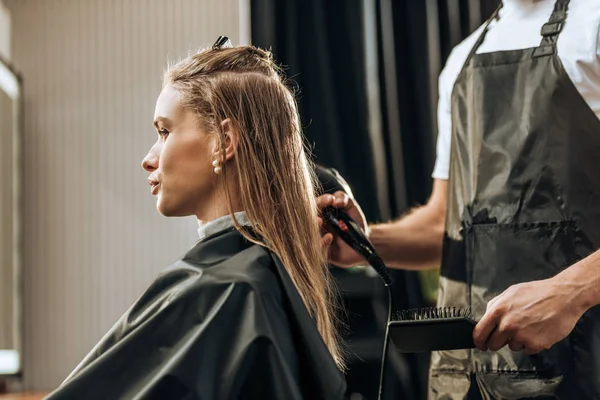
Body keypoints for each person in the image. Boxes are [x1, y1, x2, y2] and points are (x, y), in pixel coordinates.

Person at [320, 0, 600, 398]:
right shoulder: (461, 60)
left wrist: (572, 292)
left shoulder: (593, 25)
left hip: (583, 363)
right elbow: (444, 226)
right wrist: (366, 243)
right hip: (466, 376)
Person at [45, 37, 346, 400]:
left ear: (224, 141)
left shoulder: (230, 289)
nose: (149, 158)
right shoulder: (254, 280)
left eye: (164, 131)